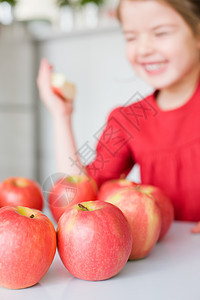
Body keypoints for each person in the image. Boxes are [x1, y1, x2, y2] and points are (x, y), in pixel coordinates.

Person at [37, 0, 200, 231]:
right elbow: (78, 201)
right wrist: (61, 115)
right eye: (131, 37)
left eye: (160, 33)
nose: (143, 49)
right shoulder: (128, 120)